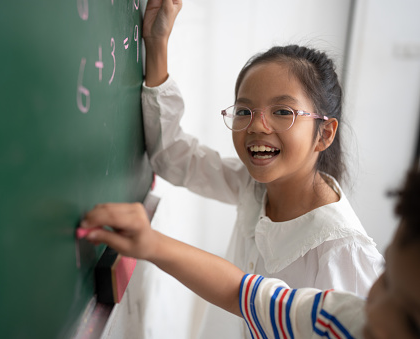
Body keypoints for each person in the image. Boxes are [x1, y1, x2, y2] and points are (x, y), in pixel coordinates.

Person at [142, 1, 383, 337]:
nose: (257, 126)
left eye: (283, 112)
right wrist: (157, 44)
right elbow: (173, 157)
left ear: (324, 134)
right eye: (244, 111)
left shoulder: (344, 253)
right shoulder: (254, 186)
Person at [80, 167, 420, 339]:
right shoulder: (340, 319)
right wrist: (152, 244)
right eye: (386, 278)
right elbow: (242, 291)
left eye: (411, 320)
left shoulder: (341, 242)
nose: (377, 311)